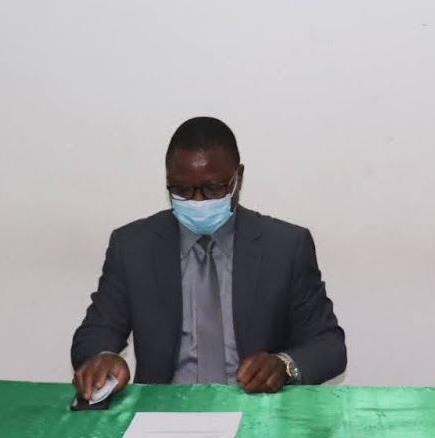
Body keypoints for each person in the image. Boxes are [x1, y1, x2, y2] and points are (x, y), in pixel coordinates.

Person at [71, 116, 347, 399]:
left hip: (256, 409)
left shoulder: (285, 247)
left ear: (238, 179)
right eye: (181, 190)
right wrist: (102, 357)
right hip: (163, 410)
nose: (198, 201)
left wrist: (284, 365)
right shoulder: (134, 246)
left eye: (213, 188)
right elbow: (96, 331)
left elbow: (329, 345)